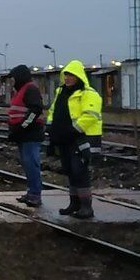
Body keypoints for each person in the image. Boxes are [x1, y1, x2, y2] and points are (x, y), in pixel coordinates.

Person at [46, 60, 103, 219]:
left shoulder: (88, 93)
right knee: (70, 171)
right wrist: (50, 127)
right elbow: (53, 111)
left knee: (80, 171)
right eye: (66, 75)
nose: (68, 78)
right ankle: (74, 203)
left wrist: (74, 130)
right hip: (67, 138)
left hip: (84, 138)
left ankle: (86, 206)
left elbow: (90, 116)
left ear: (79, 77)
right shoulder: (61, 92)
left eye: (71, 75)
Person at [3, 65, 46, 207]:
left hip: (30, 134)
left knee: (32, 163)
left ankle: (35, 194)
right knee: (27, 164)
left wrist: (23, 125)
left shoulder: (30, 89)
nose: (12, 81)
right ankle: (31, 192)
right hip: (23, 135)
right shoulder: (21, 90)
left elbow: (36, 109)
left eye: (13, 78)